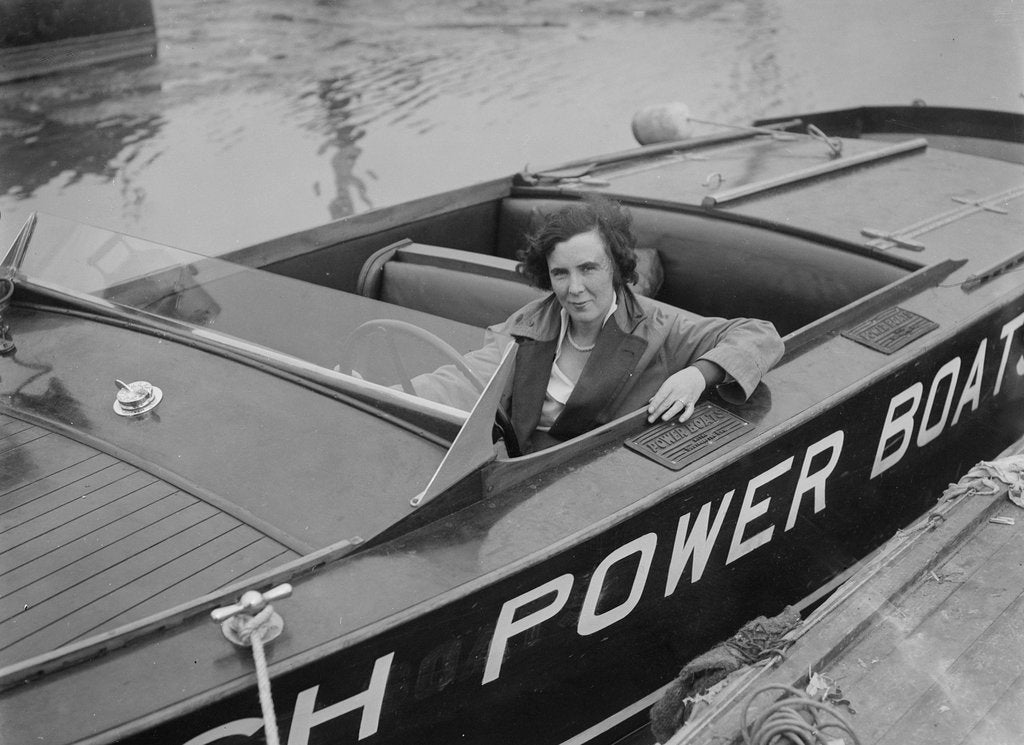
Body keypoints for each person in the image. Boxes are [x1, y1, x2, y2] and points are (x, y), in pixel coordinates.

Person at [414, 196, 784, 454]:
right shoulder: (527, 325)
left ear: (616, 267)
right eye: (560, 273)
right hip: (521, 478)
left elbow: (760, 334)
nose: (574, 289)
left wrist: (699, 375)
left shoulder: (660, 325)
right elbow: (464, 378)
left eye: (588, 268)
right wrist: (396, 391)